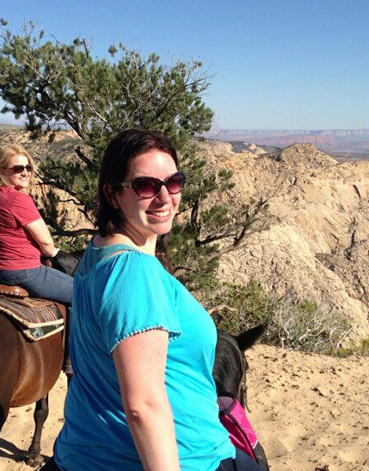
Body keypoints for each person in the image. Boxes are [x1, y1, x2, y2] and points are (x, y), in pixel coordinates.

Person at [49, 130, 263, 471]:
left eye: (174, 182)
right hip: (182, 459)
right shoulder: (133, 273)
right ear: (112, 193)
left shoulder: (99, 250)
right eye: (146, 186)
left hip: (87, 451)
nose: (165, 197)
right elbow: (144, 407)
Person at [0, 144, 73, 305]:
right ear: (1, 171)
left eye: (28, 167)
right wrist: (59, 254)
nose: (25, 172)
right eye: (18, 168)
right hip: (20, 271)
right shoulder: (18, 199)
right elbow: (47, 244)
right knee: (84, 294)